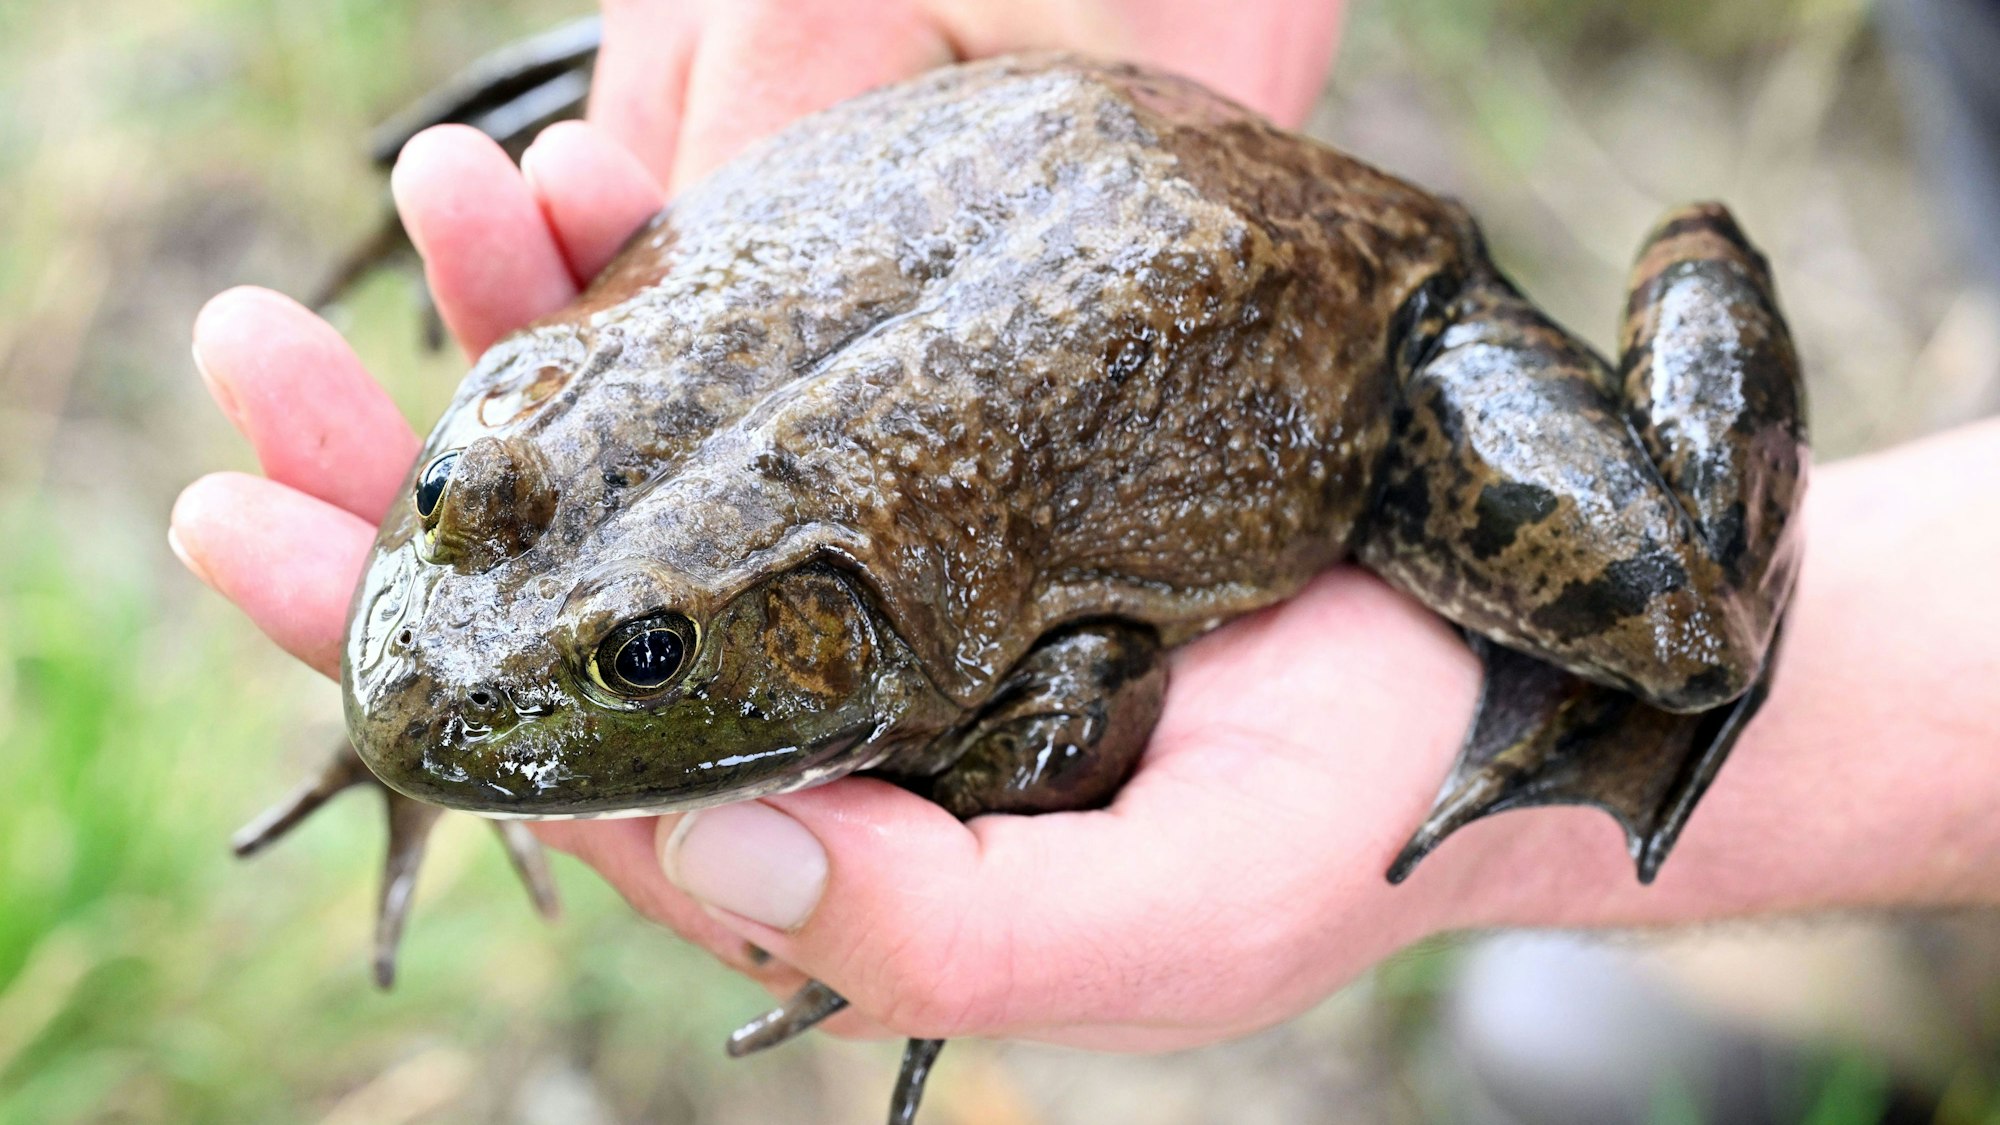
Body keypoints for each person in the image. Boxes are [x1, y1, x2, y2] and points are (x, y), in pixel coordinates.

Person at [169, 0, 2000, 1053]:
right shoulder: (560, 401)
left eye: (649, 655)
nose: (424, 629)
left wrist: (981, 783)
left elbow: (1091, 682)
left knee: (1683, 625)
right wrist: (428, 728)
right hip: (1048, 135)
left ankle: (1736, 436)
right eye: (456, 496)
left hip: (1365, 317)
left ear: (813, 630)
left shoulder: (934, 621)